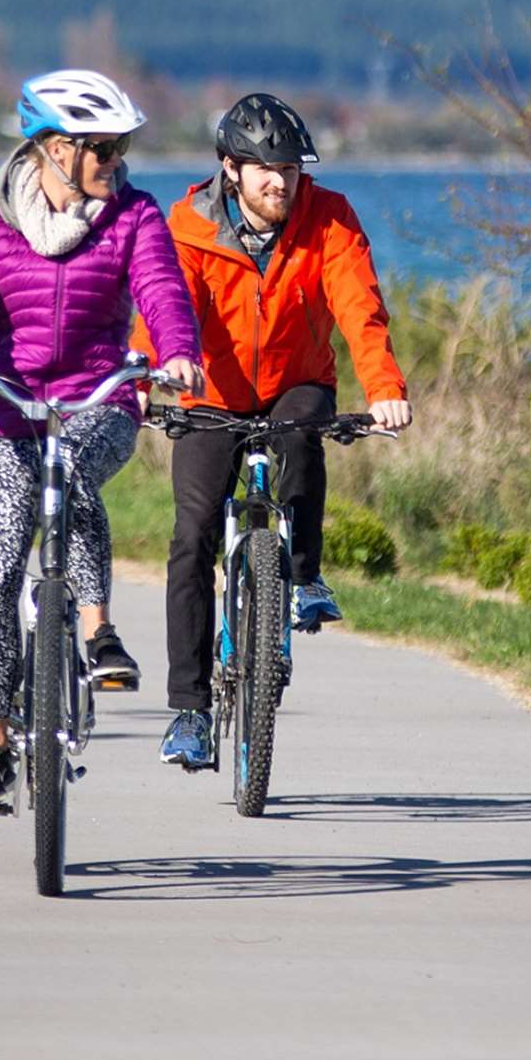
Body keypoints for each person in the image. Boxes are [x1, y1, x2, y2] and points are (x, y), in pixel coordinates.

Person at [0, 68, 203, 813]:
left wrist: (176, 351)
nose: (115, 162)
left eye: (121, 147)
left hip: (100, 397)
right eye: (101, 149)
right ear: (54, 149)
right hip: (9, 406)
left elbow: (162, 289)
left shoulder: (134, 215)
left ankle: (99, 632)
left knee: (71, 469)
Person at [142, 92, 413, 772]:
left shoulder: (330, 219)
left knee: (300, 436)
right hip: (212, 391)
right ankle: (190, 711)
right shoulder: (190, 226)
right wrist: (154, 371)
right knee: (193, 532)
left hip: (296, 377)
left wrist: (383, 389)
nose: (280, 182)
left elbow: (360, 309)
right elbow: (169, 306)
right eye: (265, 169)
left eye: (291, 168)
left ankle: (303, 576)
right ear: (229, 169)